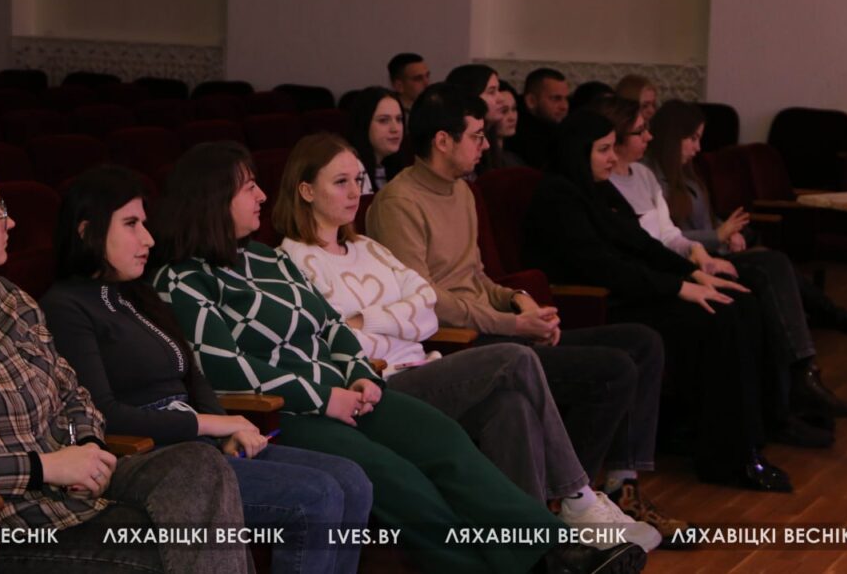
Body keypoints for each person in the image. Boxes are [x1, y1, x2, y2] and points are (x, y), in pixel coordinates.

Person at [150, 141, 647, 574]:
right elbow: (225, 367)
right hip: (285, 413)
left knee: (443, 439)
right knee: (395, 475)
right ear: (212, 198)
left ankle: (556, 550)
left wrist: (359, 375)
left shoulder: (267, 258)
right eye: (248, 188)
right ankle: (504, 567)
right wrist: (325, 397)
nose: (261, 195)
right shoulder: (182, 279)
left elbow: (331, 326)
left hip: (346, 392)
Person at [0, 158, 249, 574]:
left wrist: (88, 446)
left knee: (199, 468)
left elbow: (74, 394)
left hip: (78, 497)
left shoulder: (8, 298)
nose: (11, 222)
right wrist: (42, 468)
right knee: (181, 549)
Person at [274, 132, 663, 552]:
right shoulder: (292, 260)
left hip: (423, 365)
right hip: (380, 385)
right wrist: (393, 320)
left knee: (510, 407)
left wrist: (368, 318)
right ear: (306, 190)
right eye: (340, 182)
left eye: (358, 180)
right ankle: (577, 496)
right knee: (515, 358)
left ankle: (535, 548)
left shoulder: (367, 247)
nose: (355, 192)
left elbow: (425, 307)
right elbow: (340, 339)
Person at [365, 84, 686, 540]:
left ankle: (612, 486)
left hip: (494, 328)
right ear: (442, 141)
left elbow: (476, 277)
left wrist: (518, 300)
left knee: (641, 342)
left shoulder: (462, 192)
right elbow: (424, 299)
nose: (485, 145)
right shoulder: (399, 202)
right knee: (612, 370)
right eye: (476, 136)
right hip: (456, 344)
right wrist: (512, 323)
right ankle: (572, 499)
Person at [40, 165, 373, 574]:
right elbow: (105, 414)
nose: (147, 238)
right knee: (316, 495)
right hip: (156, 459)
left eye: (145, 223)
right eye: (130, 224)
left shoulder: (137, 294)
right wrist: (215, 424)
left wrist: (228, 429)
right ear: (87, 231)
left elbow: (192, 376)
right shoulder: (65, 307)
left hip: (202, 444)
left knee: (353, 480)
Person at [522, 110, 793, 492]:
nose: (613, 157)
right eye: (603, 150)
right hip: (599, 302)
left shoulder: (594, 188)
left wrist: (692, 273)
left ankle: (753, 436)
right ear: (578, 152)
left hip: (631, 289)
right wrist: (678, 288)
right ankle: (727, 457)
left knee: (739, 302)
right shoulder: (558, 196)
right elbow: (602, 267)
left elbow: (640, 243)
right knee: (717, 315)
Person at [600, 96, 847, 447]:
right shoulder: (607, 187)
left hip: (683, 264)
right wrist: (707, 248)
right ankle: (785, 396)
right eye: (640, 131)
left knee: (767, 275)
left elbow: (670, 235)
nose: (649, 137)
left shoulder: (643, 175)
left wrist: (700, 253)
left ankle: (787, 394)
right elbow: (641, 248)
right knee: (753, 288)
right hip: (657, 279)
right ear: (616, 138)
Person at [445, 65, 524, 173]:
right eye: (491, 92)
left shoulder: (503, 153)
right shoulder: (460, 150)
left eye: (498, 90)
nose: (501, 98)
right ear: (471, 96)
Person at [345, 86, 408, 194]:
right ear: (363, 124)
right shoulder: (349, 171)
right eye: (383, 120)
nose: (395, 129)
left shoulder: (399, 169)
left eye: (399, 119)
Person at [506, 67, 571, 169]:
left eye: (566, 99)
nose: (564, 106)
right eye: (556, 98)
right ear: (531, 101)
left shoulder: (562, 129)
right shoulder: (513, 132)